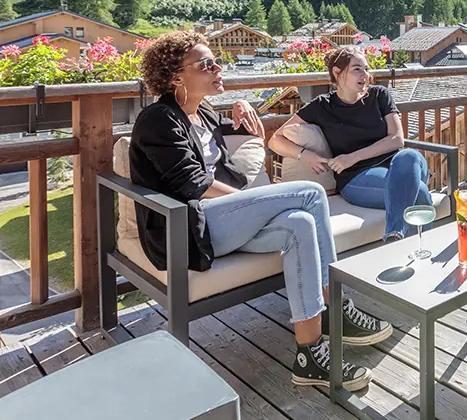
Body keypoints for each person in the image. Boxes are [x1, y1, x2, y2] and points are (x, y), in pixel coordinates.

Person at [129, 31, 390, 391]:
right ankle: (338, 307)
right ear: (176, 77)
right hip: (188, 229)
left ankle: (310, 353)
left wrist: (237, 117)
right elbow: (194, 183)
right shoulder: (157, 120)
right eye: (207, 64)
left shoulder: (201, 113)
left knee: (299, 224)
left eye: (216, 61)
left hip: (221, 220)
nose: (218, 68)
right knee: (311, 194)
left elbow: (210, 146)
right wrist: (251, 201)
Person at [269, 45, 432, 241]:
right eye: (357, 69)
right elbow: (275, 140)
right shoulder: (322, 106)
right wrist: (304, 154)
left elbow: (397, 139)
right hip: (357, 177)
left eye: (366, 69)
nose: (365, 75)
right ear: (337, 73)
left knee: (410, 155)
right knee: (419, 191)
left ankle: (394, 235)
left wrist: (352, 157)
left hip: (400, 165)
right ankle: (420, 250)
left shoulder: (379, 95)